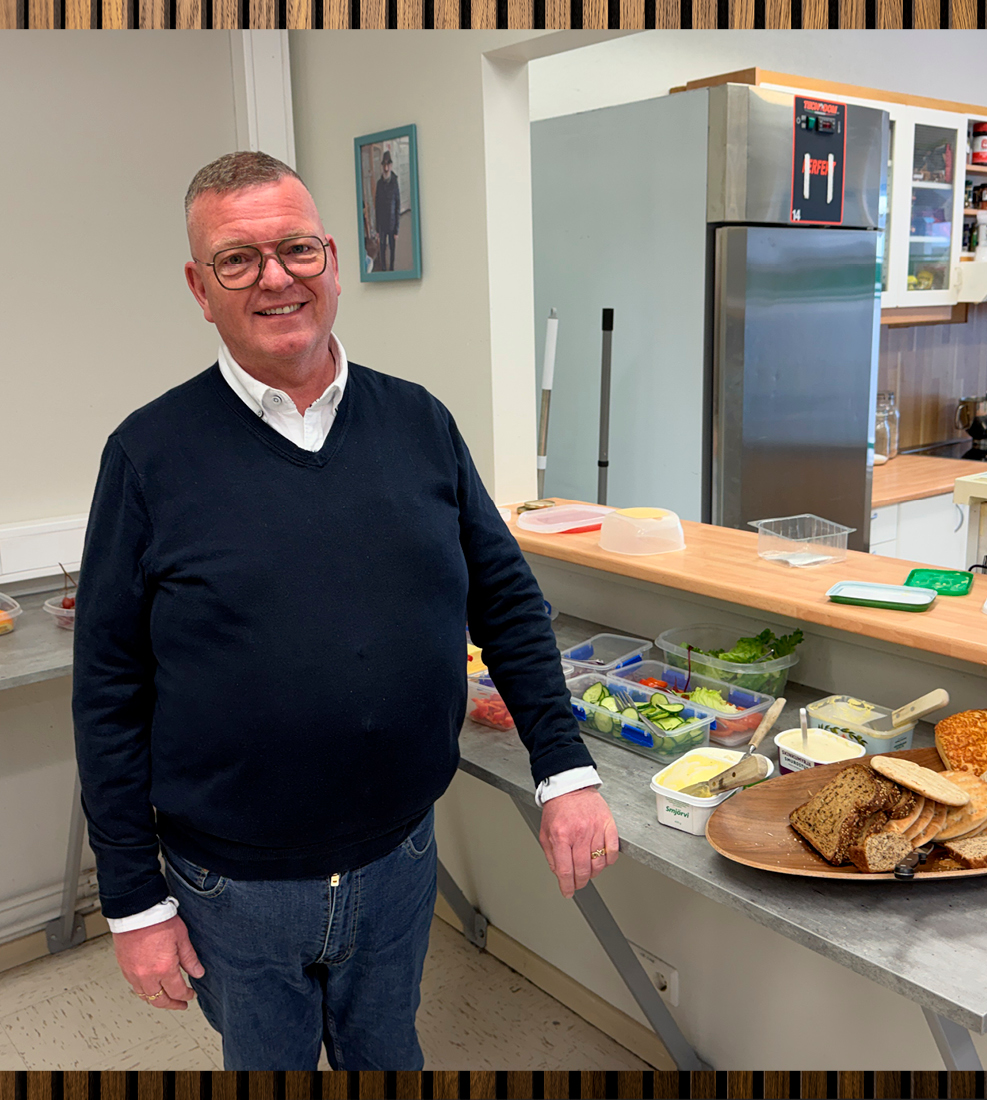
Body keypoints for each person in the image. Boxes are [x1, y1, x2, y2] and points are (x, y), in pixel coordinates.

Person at [71, 150, 619, 1071]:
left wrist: (564, 772)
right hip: (234, 887)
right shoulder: (147, 455)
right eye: (237, 260)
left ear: (330, 259)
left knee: (388, 1053)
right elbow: (107, 693)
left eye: (296, 249)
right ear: (200, 289)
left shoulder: (420, 423)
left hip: (400, 860)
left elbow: (508, 603)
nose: (275, 277)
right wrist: (133, 903)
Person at [372, 147, 401, 272]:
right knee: (382, 247)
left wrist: (397, 229)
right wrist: (377, 228)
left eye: (388, 165)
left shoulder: (394, 183)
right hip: (382, 223)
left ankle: (392, 268)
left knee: (392, 248)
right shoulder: (379, 184)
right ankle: (383, 268)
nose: (386, 168)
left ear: (391, 165)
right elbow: (377, 206)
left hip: (392, 222)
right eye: (384, 165)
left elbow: (398, 205)